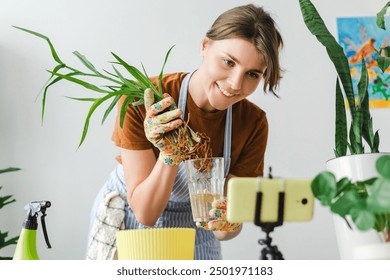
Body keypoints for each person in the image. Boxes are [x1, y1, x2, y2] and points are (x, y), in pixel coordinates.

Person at [86, 3, 283, 260]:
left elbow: (226, 231)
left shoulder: (253, 123)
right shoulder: (145, 99)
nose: (236, 84)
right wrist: (170, 153)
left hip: (197, 224)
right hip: (131, 216)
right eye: (228, 62)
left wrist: (227, 221)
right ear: (204, 46)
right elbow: (146, 213)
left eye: (253, 74)